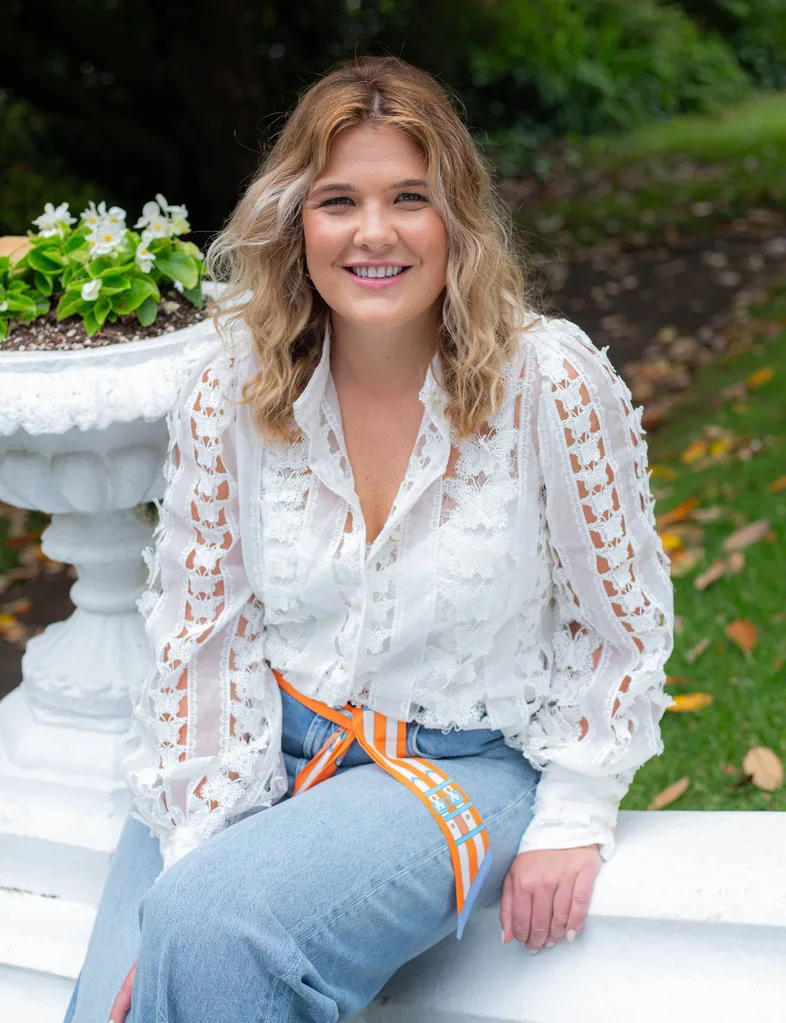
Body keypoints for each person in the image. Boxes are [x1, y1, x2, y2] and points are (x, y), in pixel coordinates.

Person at [63, 54, 674, 1023]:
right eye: (339, 200)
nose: (374, 232)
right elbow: (199, 638)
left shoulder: (548, 384)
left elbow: (621, 625)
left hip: (461, 764)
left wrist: (576, 810)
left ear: (457, 220)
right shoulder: (232, 385)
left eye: (409, 199)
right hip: (258, 745)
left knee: (213, 928)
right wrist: (196, 853)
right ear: (296, 221)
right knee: (129, 989)